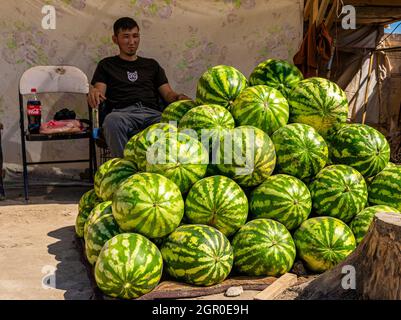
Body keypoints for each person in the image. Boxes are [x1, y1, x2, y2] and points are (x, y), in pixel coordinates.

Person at [88, 17, 190, 158]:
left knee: (180, 123)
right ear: (115, 39)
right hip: (123, 114)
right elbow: (99, 91)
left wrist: (179, 97)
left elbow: (168, 94)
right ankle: (127, 167)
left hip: (152, 114)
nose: (132, 42)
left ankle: (170, 167)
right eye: (126, 37)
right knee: (112, 121)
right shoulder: (106, 65)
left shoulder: (151, 65)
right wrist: (93, 91)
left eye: (135, 36)